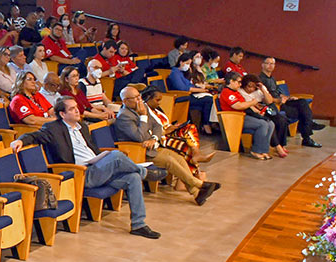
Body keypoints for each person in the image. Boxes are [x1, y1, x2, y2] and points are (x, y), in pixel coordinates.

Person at [11, 96, 160, 238]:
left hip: (98, 167)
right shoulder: (53, 128)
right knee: (116, 155)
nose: (77, 111)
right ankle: (144, 172)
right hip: (82, 174)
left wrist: (100, 158)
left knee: (132, 178)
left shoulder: (82, 126)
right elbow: (34, 136)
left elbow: (92, 150)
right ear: (62, 114)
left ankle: (138, 225)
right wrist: (20, 141)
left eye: (77, 107)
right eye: (72, 109)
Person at [114, 86, 219, 205]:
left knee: (179, 158)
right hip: (138, 152)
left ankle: (196, 193)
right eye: (135, 98)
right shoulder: (124, 116)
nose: (139, 100)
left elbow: (157, 126)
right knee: (169, 161)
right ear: (125, 101)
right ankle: (200, 184)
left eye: (139, 96)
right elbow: (139, 137)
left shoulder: (142, 107)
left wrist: (154, 138)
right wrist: (143, 117)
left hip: (152, 147)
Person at [139, 86, 215, 187]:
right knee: (185, 147)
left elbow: (164, 122)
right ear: (148, 98)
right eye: (157, 100)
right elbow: (149, 130)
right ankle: (192, 177)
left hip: (168, 132)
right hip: (161, 138)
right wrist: (165, 131)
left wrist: (172, 127)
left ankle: (196, 158)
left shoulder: (157, 109)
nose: (159, 103)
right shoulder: (143, 111)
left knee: (190, 127)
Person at [259, 57, 323, 148]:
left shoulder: (272, 78)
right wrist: (279, 100)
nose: (270, 66)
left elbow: (278, 93)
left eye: (272, 64)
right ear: (262, 65)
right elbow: (265, 98)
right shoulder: (260, 79)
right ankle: (307, 136)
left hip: (282, 101)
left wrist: (287, 98)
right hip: (275, 105)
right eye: (268, 63)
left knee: (302, 102)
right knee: (303, 113)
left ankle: (308, 131)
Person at [219, 72, 274, 160]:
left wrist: (256, 110)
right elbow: (238, 106)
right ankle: (256, 150)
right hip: (233, 119)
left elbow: (245, 104)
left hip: (242, 116)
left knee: (270, 124)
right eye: (238, 82)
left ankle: (264, 150)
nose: (240, 84)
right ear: (231, 81)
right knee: (262, 124)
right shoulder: (227, 92)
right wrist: (253, 102)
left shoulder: (235, 92)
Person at [238, 73, 289, 157]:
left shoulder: (260, 89)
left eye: (253, 87)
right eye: (248, 86)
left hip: (265, 108)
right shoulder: (240, 91)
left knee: (281, 119)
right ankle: (277, 146)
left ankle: (281, 144)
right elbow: (246, 106)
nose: (251, 89)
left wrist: (262, 89)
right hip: (252, 112)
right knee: (268, 122)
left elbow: (269, 101)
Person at [169, 51, 214, 134]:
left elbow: (190, 84)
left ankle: (205, 124)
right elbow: (183, 88)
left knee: (208, 99)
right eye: (187, 63)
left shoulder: (181, 73)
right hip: (182, 96)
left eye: (189, 64)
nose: (188, 66)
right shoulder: (175, 73)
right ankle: (205, 124)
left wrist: (200, 89)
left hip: (189, 95)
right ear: (181, 62)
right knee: (208, 99)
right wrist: (201, 90)